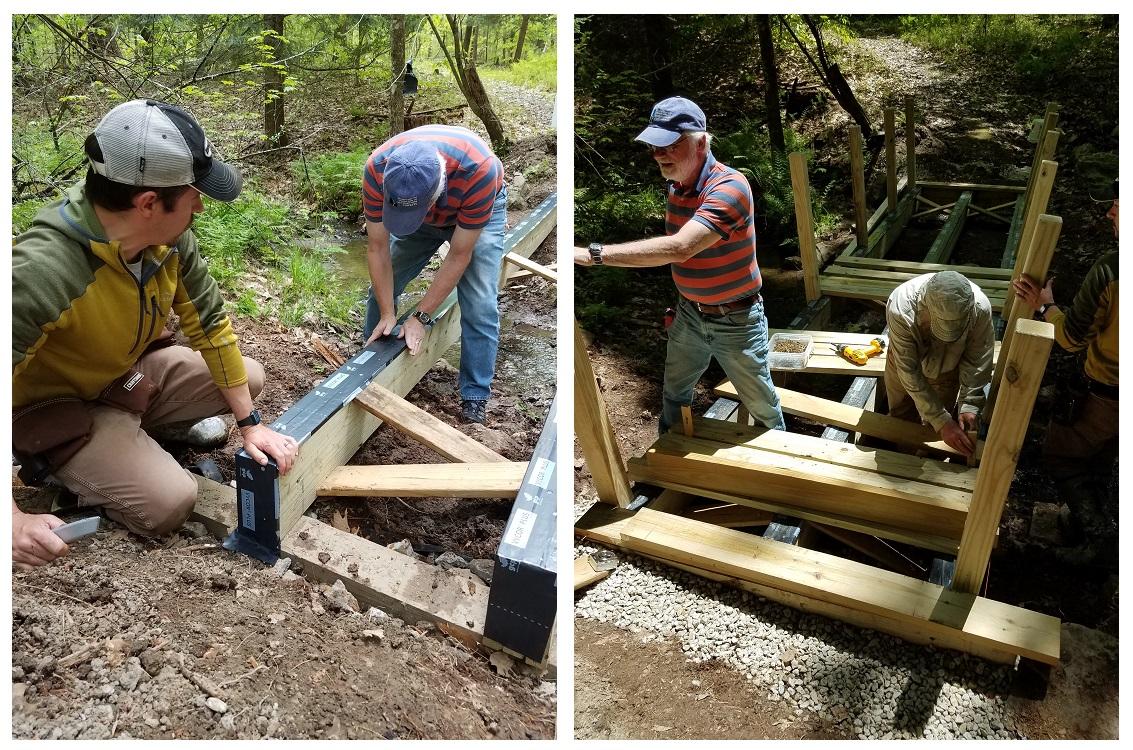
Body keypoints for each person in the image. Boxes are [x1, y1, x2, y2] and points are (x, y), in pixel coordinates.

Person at [12, 99, 299, 569]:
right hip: (53, 407)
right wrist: (11, 519)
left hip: (118, 376)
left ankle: (127, 436)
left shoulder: (168, 238)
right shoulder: (42, 272)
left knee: (246, 380)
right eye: (193, 194)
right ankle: (69, 461)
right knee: (170, 502)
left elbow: (209, 323)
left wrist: (251, 425)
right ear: (148, 203)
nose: (201, 206)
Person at [574, 96, 785, 433]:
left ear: (700, 141)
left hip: (737, 320)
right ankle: (665, 467)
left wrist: (594, 254)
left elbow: (681, 248)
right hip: (690, 314)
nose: (659, 154)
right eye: (655, 146)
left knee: (763, 407)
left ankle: (783, 473)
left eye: (669, 145)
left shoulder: (730, 187)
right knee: (674, 395)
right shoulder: (676, 186)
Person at [361, 125, 507, 425]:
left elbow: (459, 254)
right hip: (431, 206)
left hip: (476, 208)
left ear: (434, 194)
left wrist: (421, 316)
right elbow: (378, 249)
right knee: (382, 289)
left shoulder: (479, 169)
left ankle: (475, 397)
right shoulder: (377, 168)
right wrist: (389, 312)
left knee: (479, 302)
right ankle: (367, 364)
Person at [1012, 180, 1118, 551]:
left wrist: (1046, 307)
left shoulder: (1112, 271)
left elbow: (1072, 339)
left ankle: (1099, 539)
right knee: (1103, 457)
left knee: (1063, 457)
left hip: (1108, 393)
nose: (1110, 213)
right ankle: (1086, 519)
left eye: (1119, 205)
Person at [882, 271, 994, 457]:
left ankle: (930, 464)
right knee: (901, 418)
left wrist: (969, 403)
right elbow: (908, 369)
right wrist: (941, 420)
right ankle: (902, 461)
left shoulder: (980, 308)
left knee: (940, 432)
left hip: (948, 369)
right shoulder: (901, 307)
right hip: (902, 365)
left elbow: (978, 357)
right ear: (926, 303)